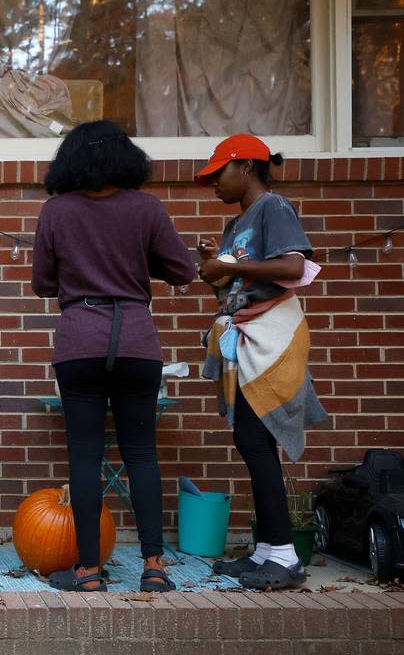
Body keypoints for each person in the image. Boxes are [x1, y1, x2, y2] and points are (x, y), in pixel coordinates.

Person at [30, 120, 194, 593]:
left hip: (80, 340)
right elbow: (181, 269)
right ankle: (154, 567)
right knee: (141, 454)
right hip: (137, 342)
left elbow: (42, 284)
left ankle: (87, 572)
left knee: (85, 458)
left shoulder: (56, 211)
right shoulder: (146, 208)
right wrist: (136, 260)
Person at [195, 134, 328, 590]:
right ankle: (268, 551)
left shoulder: (274, 207)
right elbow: (235, 292)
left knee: (255, 439)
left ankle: (287, 557)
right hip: (247, 335)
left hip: (274, 335)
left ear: (246, 167)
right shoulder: (235, 227)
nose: (213, 183)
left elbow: (293, 269)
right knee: (252, 442)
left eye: (219, 173)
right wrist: (214, 267)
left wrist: (230, 268)